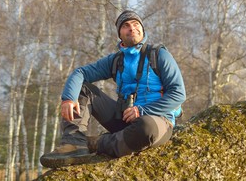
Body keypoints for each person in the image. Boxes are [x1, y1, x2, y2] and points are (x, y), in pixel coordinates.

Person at [40, 10, 186, 168]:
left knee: (146, 128)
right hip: (124, 120)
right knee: (83, 89)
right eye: (126, 25)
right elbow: (81, 73)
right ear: (120, 34)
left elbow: (178, 93)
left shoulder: (159, 55)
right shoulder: (116, 60)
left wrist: (142, 110)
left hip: (158, 120)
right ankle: (73, 143)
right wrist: (68, 98)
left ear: (143, 30)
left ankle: (95, 143)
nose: (132, 28)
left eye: (136, 24)